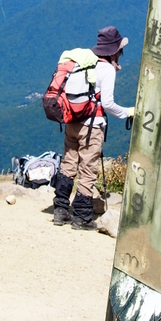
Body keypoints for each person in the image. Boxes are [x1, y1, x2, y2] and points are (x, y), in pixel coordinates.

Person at [53, 26, 134, 230]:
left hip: (71, 120)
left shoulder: (83, 63)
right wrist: (127, 112)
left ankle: (60, 209)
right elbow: (107, 103)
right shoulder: (107, 69)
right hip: (91, 126)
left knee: (69, 163)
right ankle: (82, 217)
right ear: (115, 50)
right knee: (88, 169)